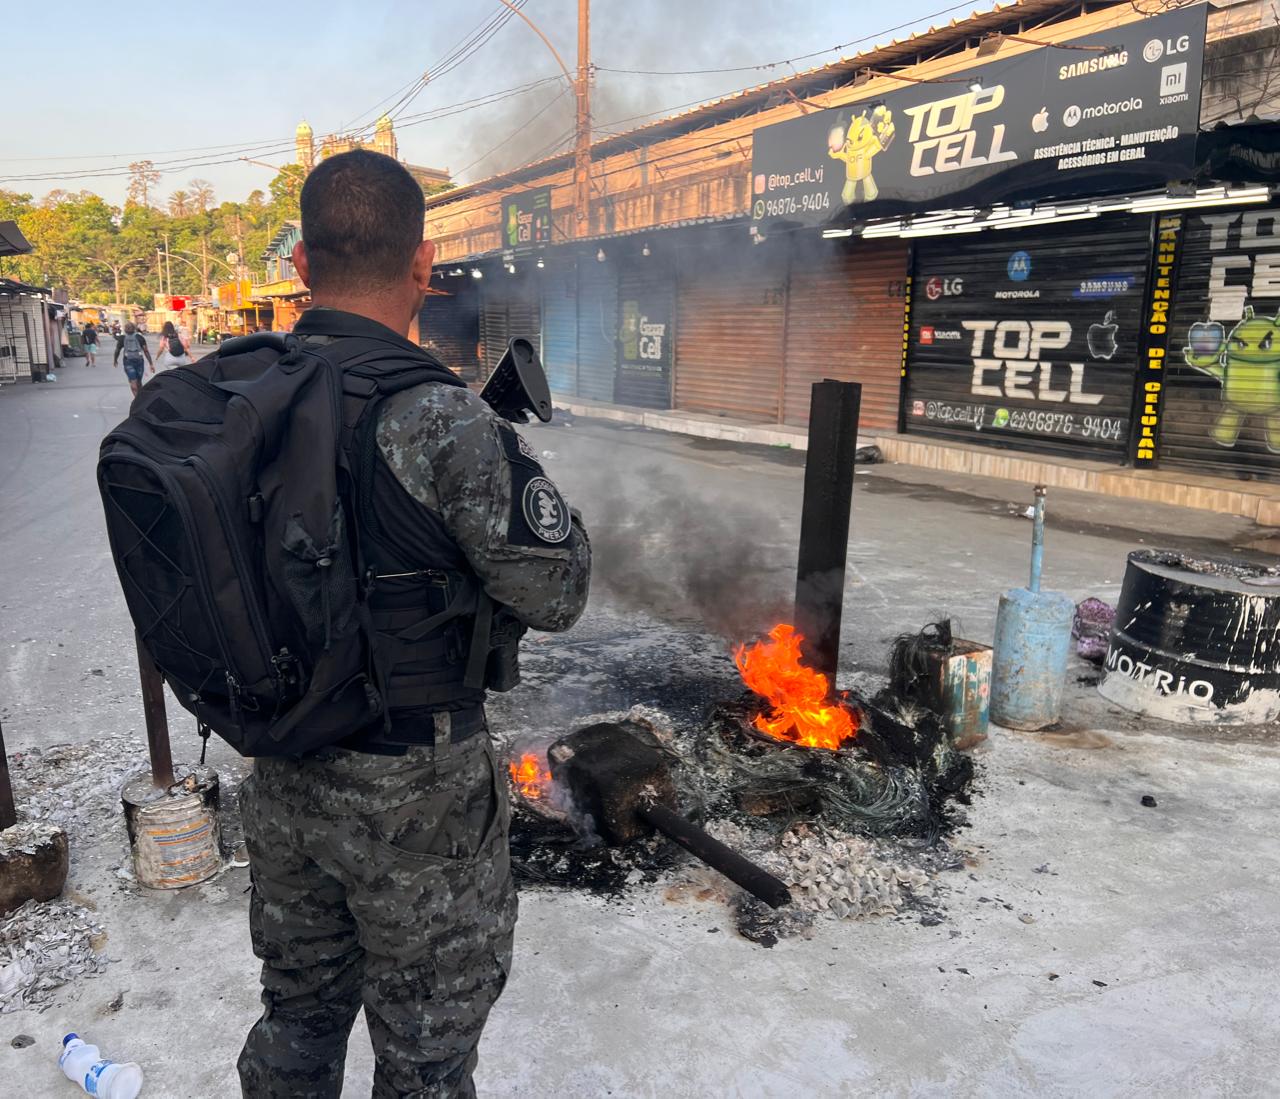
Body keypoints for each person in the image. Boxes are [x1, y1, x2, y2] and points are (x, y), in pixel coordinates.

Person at [236, 149, 591, 1098]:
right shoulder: (446, 422)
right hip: (415, 792)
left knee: (299, 1016)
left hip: (280, 771)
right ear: (424, 267)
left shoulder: (233, 401)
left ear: (302, 265)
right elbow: (558, 594)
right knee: (426, 1057)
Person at [112, 322, 153, 396]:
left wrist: (115, 360)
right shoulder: (140, 337)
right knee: (136, 382)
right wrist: (151, 363)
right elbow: (146, 351)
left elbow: (117, 350)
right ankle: (138, 401)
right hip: (139, 361)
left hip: (128, 361)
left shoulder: (122, 338)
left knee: (136, 382)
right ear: (135, 329)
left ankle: (139, 398)